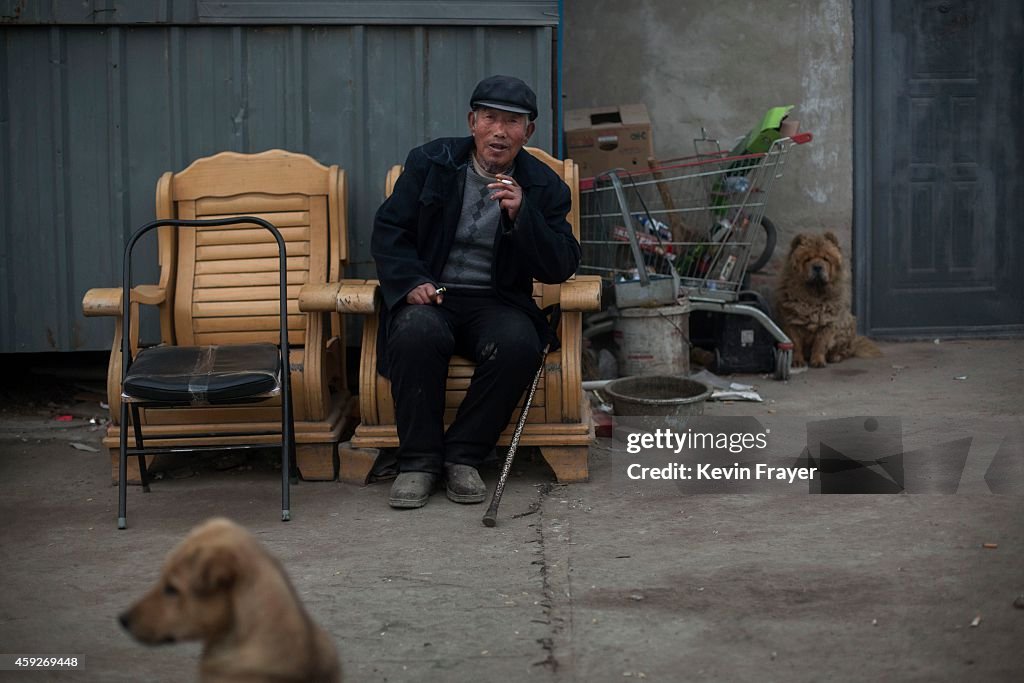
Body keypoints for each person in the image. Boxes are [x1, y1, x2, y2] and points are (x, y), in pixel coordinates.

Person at [371, 75, 581, 509]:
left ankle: (463, 455)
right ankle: (418, 463)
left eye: (513, 122)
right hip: (435, 293)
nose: (500, 131)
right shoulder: (431, 162)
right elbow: (390, 230)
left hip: (497, 300)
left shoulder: (545, 187)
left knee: (521, 343)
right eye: (490, 118)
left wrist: (524, 215)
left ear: (529, 131)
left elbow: (561, 264)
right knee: (414, 333)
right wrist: (411, 281)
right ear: (472, 122)